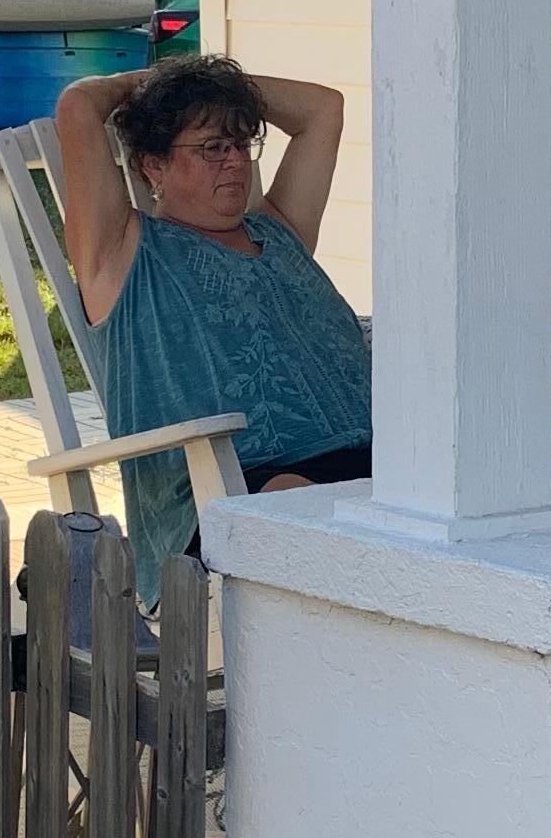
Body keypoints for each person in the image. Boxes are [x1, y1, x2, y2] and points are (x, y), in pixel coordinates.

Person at [55, 51, 372, 600]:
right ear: (153, 165)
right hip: (228, 498)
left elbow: (324, 108)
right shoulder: (125, 256)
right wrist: (163, 87)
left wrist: (219, 93)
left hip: (369, 469)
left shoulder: (280, 232)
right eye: (211, 148)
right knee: (295, 506)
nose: (235, 163)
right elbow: (80, 106)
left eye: (242, 144)